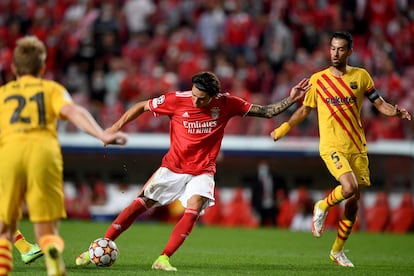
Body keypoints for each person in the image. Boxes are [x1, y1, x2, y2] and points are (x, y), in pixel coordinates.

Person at [75, 71, 311, 271]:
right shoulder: (177, 100)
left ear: (214, 96)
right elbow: (141, 106)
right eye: (195, 96)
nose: (196, 102)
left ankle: (163, 258)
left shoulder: (228, 103)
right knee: (139, 206)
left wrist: (291, 99)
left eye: (202, 99)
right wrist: (113, 128)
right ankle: (96, 248)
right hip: (172, 167)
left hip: (202, 169)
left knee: (195, 206)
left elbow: (267, 111)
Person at [271, 31, 411, 267]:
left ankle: (337, 251)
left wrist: (396, 111)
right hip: (331, 145)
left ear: (349, 52)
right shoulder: (318, 80)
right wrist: (283, 129)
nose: (336, 53)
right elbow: (305, 110)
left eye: (341, 49)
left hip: (356, 146)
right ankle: (322, 205)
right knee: (349, 187)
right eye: (333, 48)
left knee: (354, 202)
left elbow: (379, 104)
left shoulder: (361, 77)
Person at [0, 36, 127, 276]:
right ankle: (51, 252)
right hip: (43, 152)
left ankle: (5, 261)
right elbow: (72, 111)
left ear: (14, 68)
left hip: (9, 153)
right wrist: (101, 133)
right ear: (42, 68)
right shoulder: (52, 89)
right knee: (46, 230)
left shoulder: (3, 93)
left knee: (5, 227)